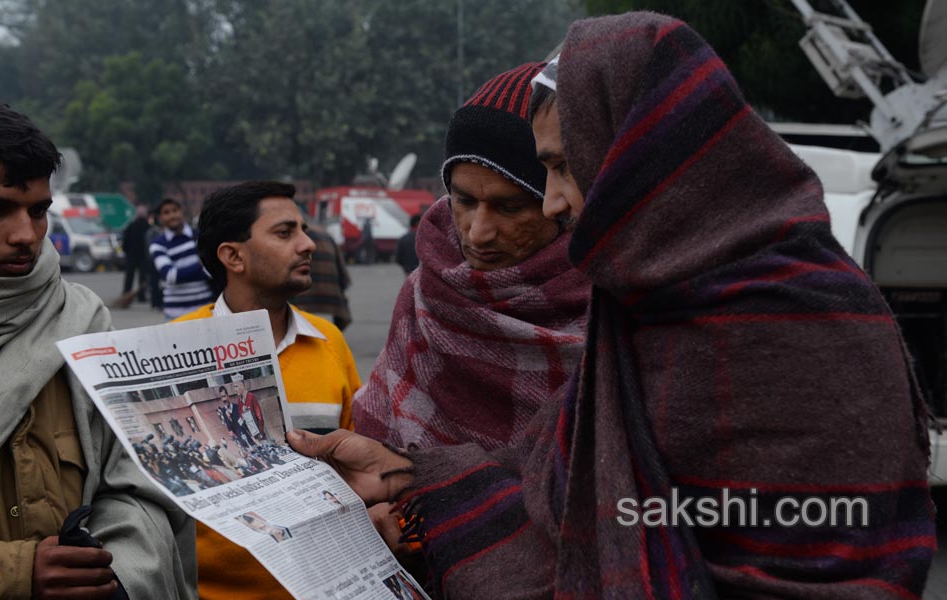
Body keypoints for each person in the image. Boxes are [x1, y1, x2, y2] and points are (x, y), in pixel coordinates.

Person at [289, 12, 936, 598]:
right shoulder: (643, 306)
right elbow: (570, 491)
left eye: (567, 168)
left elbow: (645, 529)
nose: (553, 202)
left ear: (648, 159)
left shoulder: (802, 319)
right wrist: (410, 477)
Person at [0, 103, 197, 599]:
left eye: (38, 210)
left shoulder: (84, 320)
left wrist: (114, 573)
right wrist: (15, 571)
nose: (25, 235)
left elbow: (138, 481)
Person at [352, 62, 591, 452]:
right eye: (463, 201)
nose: (478, 233)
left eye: (509, 207)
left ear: (558, 202)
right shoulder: (424, 293)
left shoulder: (619, 302)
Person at [174, 179, 361, 600]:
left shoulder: (330, 343)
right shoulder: (176, 343)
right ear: (232, 256)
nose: (307, 244)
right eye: (285, 232)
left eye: (304, 229)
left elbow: (358, 464)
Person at [149, 197, 213, 319]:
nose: (172, 215)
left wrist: (182, 273)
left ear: (181, 211)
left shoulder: (199, 235)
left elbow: (211, 270)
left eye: (175, 210)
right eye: (166, 212)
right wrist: (200, 265)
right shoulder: (158, 244)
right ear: (160, 218)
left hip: (205, 309)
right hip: (175, 313)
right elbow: (170, 276)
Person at [291, 221, 353, 330]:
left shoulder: (290, 235)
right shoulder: (325, 234)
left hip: (299, 303)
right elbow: (342, 274)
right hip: (330, 301)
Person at [121, 204, 150, 302]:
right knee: (143, 277)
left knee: (129, 276)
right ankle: (141, 296)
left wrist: (126, 252)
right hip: (144, 256)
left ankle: (126, 293)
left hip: (131, 256)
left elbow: (125, 241)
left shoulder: (131, 226)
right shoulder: (148, 227)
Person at [230, 374, 266, 443]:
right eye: (234, 387)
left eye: (236, 386)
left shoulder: (251, 397)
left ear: (242, 386)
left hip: (259, 433)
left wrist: (261, 432)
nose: (235, 390)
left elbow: (259, 416)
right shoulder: (239, 401)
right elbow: (241, 418)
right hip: (250, 435)